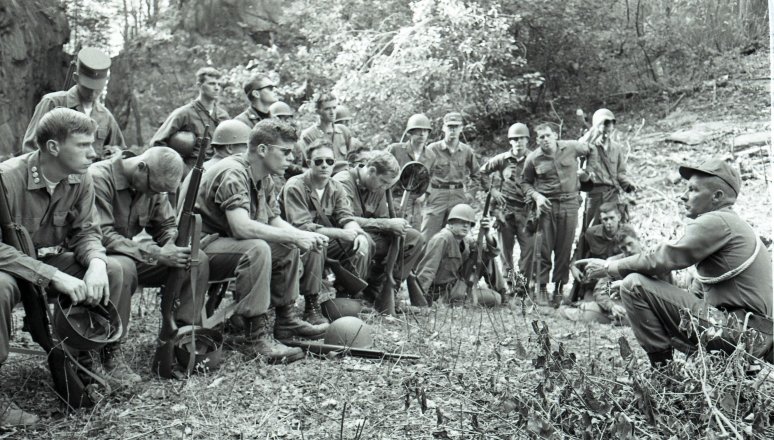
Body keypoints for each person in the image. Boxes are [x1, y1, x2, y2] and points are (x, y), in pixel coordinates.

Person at [1, 109, 139, 426]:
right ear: (53, 147)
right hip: (11, 268)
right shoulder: (7, 180)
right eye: (82, 144)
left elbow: (86, 232)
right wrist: (51, 275)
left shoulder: (79, 176)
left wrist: (96, 263)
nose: (93, 152)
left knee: (117, 268)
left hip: (51, 264)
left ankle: (89, 356)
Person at [577, 158, 773, 367]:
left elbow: (663, 257)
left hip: (739, 332)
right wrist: (651, 294)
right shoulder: (731, 224)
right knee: (638, 287)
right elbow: (695, 295)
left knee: (633, 284)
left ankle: (664, 374)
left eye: (693, 190)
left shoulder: (717, 221)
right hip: (750, 333)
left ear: (717, 197)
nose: (683, 196)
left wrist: (610, 268)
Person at [194, 119, 329, 363]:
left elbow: (274, 220)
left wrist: (302, 236)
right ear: (263, 150)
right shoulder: (233, 172)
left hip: (226, 243)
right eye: (285, 152)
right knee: (257, 248)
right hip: (201, 248)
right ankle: (254, 338)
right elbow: (242, 227)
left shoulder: (263, 176)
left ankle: (285, 321)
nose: (290, 159)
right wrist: (295, 235)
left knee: (287, 245)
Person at [89, 146, 208, 327]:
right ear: (141, 167)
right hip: (95, 255)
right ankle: (111, 341)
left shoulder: (155, 186)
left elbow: (166, 224)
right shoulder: (98, 178)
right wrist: (156, 254)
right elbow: (102, 235)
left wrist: (173, 243)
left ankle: (182, 335)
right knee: (124, 268)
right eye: (153, 189)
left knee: (196, 258)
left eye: (160, 192)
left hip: (130, 254)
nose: (154, 195)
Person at [280, 139, 369, 321]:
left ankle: (346, 296)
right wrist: (341, 233)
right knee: (315, 243)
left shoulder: (335, 186)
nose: (324, 166)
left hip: (321, 239)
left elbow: (345, 216)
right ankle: (311, 305)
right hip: (290, 242)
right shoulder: (295, 185)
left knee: (360, 241)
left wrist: (357, 233)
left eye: (329, 161)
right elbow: (302, 227)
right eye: (318, 161)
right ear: (308, 163)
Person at [332, 151, 425, 305]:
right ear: (372, 170)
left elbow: (382, 219)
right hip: (341, 236)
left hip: (369, 235)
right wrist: (386, 224)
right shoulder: (343, 182)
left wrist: (396, 225)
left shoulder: (378, 187)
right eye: (382, 182)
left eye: (388, 184)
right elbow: (343, 219)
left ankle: (381, 291)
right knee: (365, 240)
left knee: (414, 238)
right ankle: (348, 295)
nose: (384, 187)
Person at [521, 123, 592, 304]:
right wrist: (537, 197)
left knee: (564, 249)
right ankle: (542, 288)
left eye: (548, 135)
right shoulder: (533, 159)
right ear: (536, 140)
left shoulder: (572, 147)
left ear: (555, 135)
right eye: (541, 137)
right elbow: (525, 183)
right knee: (544, 248)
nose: (545, 139)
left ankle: (559, 290)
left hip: (570, 204)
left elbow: (591, 150)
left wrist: (588, 172)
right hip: (547, 207)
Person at [21, 47, 125, 159]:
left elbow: (120, 152)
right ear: (76, 78)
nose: (93, 93)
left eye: (97, 88)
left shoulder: (106, 117)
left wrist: (115, 153)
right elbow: (30, 149)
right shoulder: (52, 103)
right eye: (88, 87)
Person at [150, 67, 230, 173]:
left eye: (218, 84)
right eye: (211, 84)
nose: (216, 88)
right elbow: (157, 143)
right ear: (199, 86)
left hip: (219, 171)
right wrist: (181, 169)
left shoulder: (223, 115)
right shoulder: (183, 113)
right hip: (192, 171)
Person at [414, 204, 499, 303]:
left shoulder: (464, 240)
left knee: (484, 253)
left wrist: (487, 233)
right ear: (451, 223)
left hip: (458, 286)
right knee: (496, 298)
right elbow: (428, 269)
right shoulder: (442, 239)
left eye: (469, 223)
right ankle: (501, 296)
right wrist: (419, 299)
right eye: (461, 222)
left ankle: (503, 292)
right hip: (442, 292)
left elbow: (490, 252)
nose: (466, 225)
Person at [478, 122, 532, 278]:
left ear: (527, 140)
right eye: (515, 139)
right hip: (505, 211)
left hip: (526, 211)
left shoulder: (534, 158)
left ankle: (522, 283)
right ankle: (508, 283)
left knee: (528, 249)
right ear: (510, 141)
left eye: (522, 138)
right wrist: (493, 191)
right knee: (505, 251)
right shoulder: (502, 159)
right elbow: (482, 173)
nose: (519, 142)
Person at [421, 112, 481, 242]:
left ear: (461, 128)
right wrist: (427, 193)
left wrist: (470, 194)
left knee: (457, 237)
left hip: (458, 196)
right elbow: (423, 174)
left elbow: (477, 174)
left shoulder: (466, 151)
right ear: (443, 128)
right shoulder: (432, 149)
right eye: (449, 126)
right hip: (436, 195)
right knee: (428, 236)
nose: (452, 130)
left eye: (456, 126)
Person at [579, 109, 637, 226]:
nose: (607, 130)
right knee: (592, 231)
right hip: (594, 195)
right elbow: (578, 148)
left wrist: (627, 184)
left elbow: (620, 172)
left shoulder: (616, 148)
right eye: (604, 125)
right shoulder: (588, 146)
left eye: (610, 125)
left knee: (614, 231)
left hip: (612, 194)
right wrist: (592, 134)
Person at [387, 113, 434, 229]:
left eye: (425, 131)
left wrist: (425, 194)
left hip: (416, 204)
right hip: (395, 200)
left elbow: (431, 177)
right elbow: (382, 170)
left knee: (414, 236)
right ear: (410, 133)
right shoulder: (396, 149)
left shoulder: (430, 155)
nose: (422, 134)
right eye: (418, 130)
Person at [299, 93, 354, 162]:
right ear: (317, 111)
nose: (332, 112)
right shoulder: (308, 135)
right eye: (327, 109)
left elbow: (352, 157)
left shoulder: (343, 131)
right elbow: (306, 164)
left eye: (334, 108)